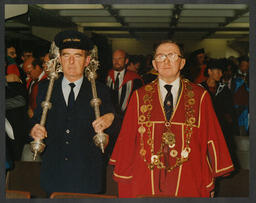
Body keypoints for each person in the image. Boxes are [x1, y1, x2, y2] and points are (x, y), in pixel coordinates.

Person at [109, 40, 234, 198]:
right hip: (146, 176)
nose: (166, 61)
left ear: (182, 63)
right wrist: (124, 176)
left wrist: (214, 173)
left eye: (172, 55)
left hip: (189, 175)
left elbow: (212, 136)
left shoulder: (200, 96)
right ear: (154, 64)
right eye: (160, 56)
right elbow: (127, 138)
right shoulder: (139, 96)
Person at [30, 30, 116, 195]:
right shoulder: (45, 88)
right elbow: (35, 120)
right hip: (54, 174)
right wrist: (33, 130)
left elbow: (116, 125)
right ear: (59, 59)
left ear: (87, 60)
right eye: (66, 55)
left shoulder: (101, 91)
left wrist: (111, 118)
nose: (70, 61)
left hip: (87, 176)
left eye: (77, 56)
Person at [232, 55, 249, 136]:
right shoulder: (234, 75)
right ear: (239, 65)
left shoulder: (250, 76)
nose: (244, 68)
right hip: (236, 104)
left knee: (245, 126)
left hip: (246, 105)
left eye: (246, 66)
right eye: (243, 65)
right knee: (236, 126)